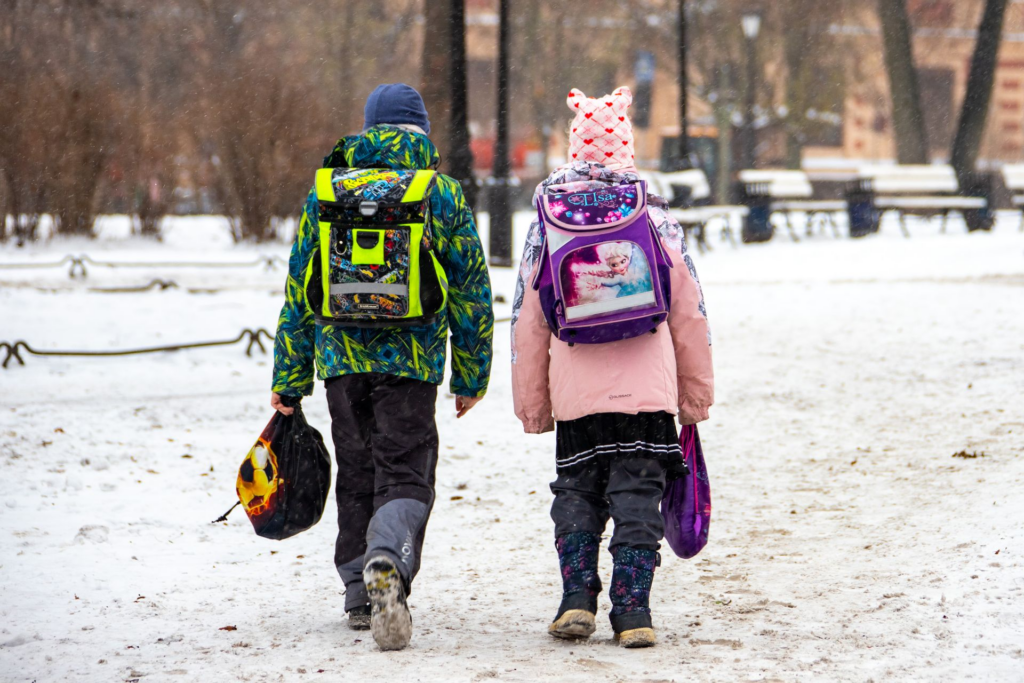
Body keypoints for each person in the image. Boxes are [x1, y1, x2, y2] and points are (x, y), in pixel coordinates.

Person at [271, 83, 493, 651]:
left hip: (340, 361)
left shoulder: (326, 191)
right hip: (412, 360)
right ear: (419, 131)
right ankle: (387, 557)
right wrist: (471, 375)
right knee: (406, 470)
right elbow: (470, 288)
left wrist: (289, 380)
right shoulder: (438, 193)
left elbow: (300, 290)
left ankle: (355, 591)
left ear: (368, 129)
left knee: (357, 470)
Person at [511, 86, 713, 648]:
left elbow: (528, 321)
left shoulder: (548, 222)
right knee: (637, 496)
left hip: (577, 393)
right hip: (646, 397)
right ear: (626, 149)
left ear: (576, 148)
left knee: (576, 491)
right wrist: (693, 397)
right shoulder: (654, 217)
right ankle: (633, 612)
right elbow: (689, 313)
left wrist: (534, 405)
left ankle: (576, 599)